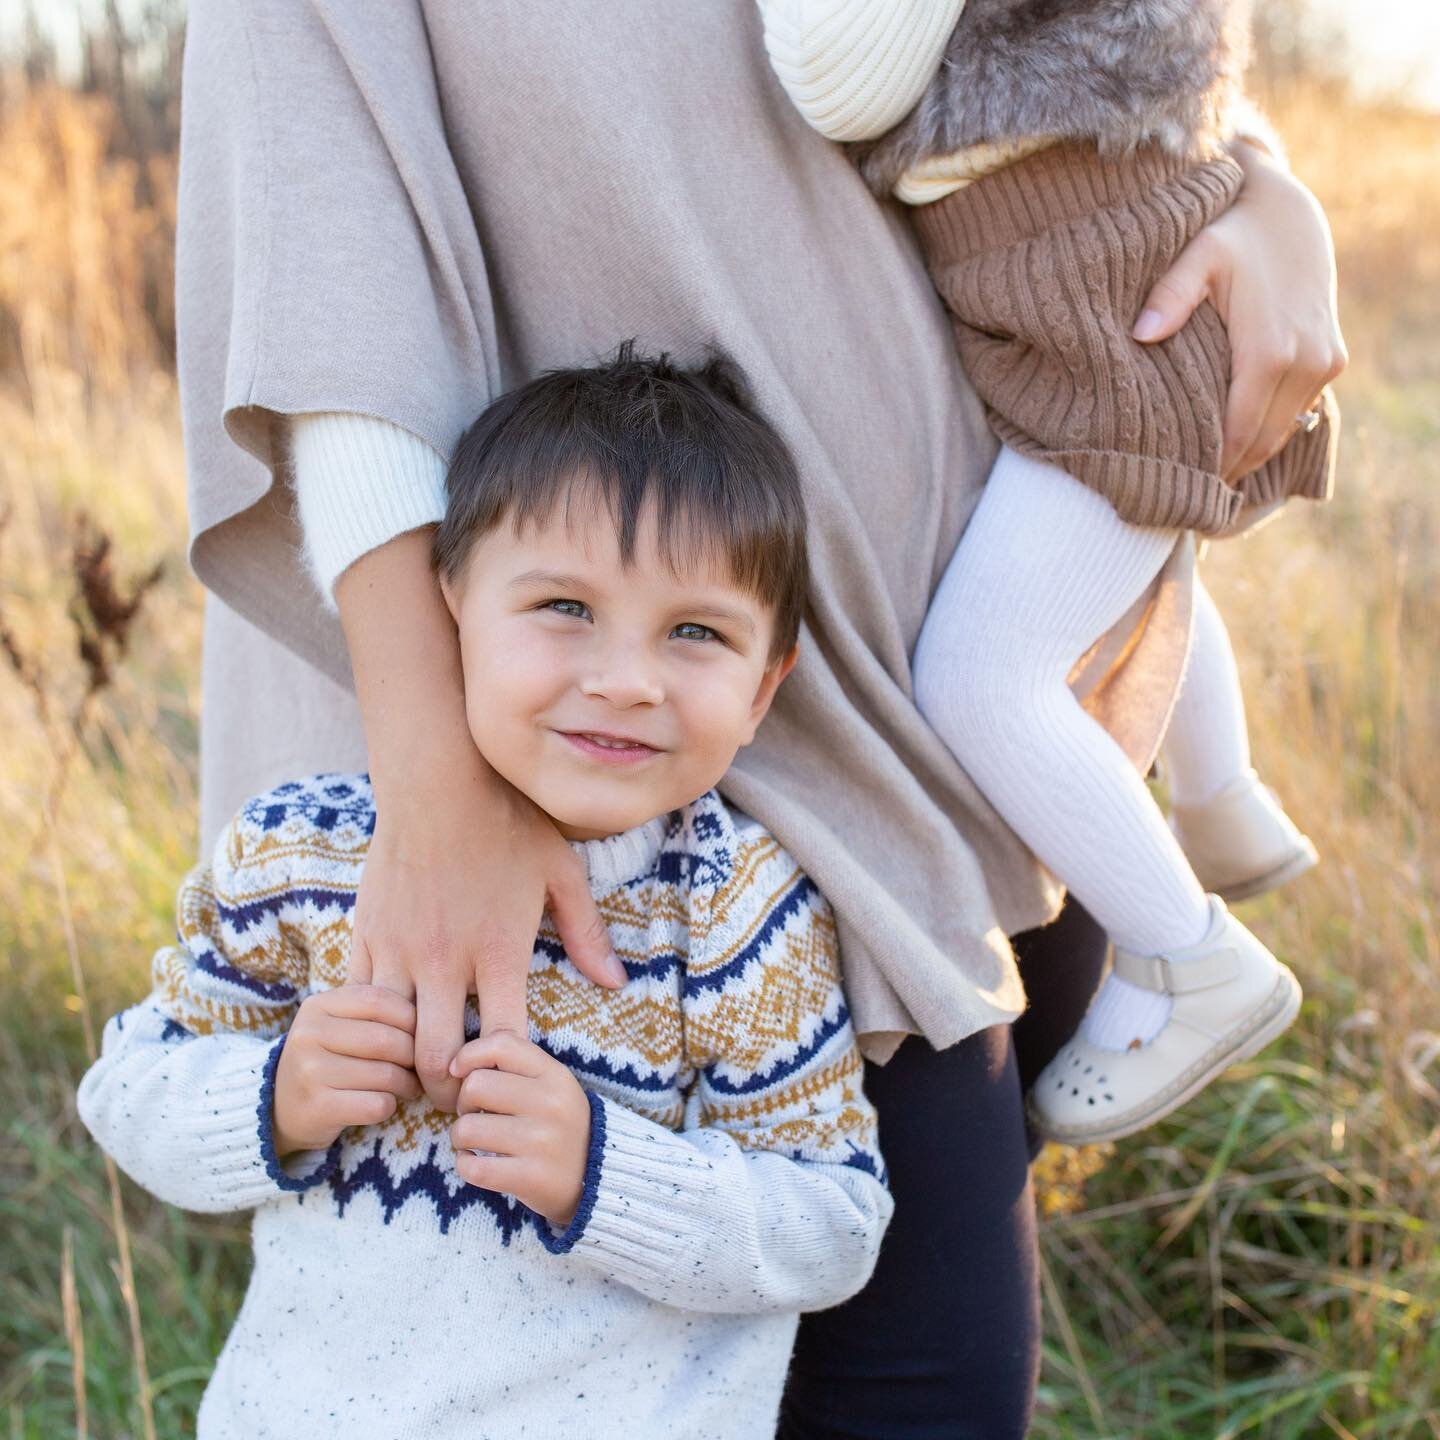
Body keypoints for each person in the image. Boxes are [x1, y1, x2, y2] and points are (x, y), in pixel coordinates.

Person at [174, 4, 1346, 1433]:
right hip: (574, 758)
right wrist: (439, 782)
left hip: (955, 686)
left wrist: (1265, 185)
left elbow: (1050, 33)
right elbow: (325, 288)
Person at [79, 349, 893, 1440]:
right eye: (564, 607)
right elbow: (127, 1092)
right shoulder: (304, 853)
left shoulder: (736, 908)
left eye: (695, 632)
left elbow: (834, 1224)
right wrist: (273, 1095)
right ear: (450, 608)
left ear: (765, 687)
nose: (626, 679)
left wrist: (604, 1172)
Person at [757, 0, 1341, 1144]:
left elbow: (836, 81)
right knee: (1126, 558)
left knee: (983, 679)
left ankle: (1186, 956)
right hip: (1111, 284)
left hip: (1118, 319)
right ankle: (1223, 804)